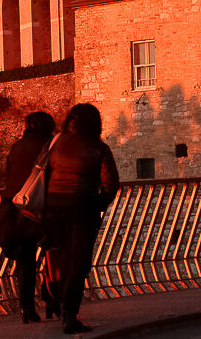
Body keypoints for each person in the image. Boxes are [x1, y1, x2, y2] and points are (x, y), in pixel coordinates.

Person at [43, 103, 120, 334]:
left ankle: (53, 300)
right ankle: (69, 315)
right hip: (82, 209)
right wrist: (99, 204)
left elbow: (42, 171)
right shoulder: (99, 148)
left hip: (53, 208)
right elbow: (110, 184)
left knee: (60, 258)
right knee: (78, 264)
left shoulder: (55, 143)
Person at [0, 110, 56, 323]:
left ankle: (26, 308)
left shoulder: (17, 147)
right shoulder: (52, 147)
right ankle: (52, 300)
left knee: (25, 262)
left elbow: (9, 177)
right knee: (53, 253)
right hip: (45, 211)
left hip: (17, 211)